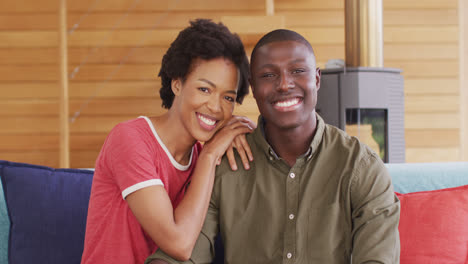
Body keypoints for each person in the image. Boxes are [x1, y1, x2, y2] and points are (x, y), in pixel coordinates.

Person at [146, 29, 400, 264]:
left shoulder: (360, 166)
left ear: (317, 79)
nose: (284, 84)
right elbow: (181, 256)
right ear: (253, 88)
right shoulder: (224, 165)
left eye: (298, 71)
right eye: (268, 75)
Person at [81, 19, 255, 264]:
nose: (216, 107)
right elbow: (179, 244)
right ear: (177, 84)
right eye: (204, 89)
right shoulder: (130, 139)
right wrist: (209, 155)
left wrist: (248, 132)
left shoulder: (203, 153)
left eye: (228, 97)